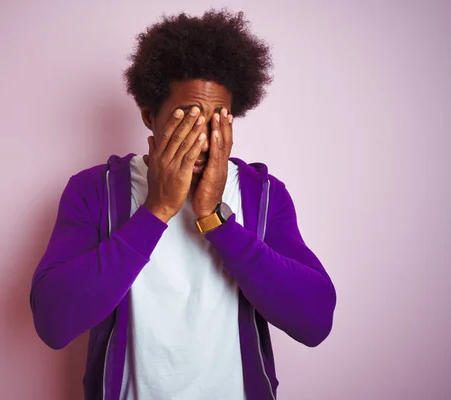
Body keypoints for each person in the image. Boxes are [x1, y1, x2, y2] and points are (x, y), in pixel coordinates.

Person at [30, 9, 336, 400]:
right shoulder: (96, 191)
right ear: (148, 116)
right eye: (188, 118)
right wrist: (155, 211)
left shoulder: (263, 195)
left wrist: (217, 221)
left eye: (217, 121)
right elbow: (54, 323)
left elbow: (315, 322)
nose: (204, 141)